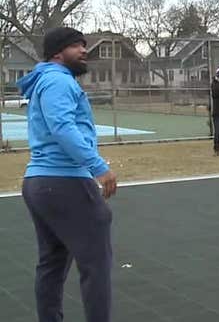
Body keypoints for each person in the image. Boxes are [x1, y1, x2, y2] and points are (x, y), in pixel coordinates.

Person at [17, 27, 118, 322]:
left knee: (51, 263)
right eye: (76, 45)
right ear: (58, 53)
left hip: (39, 184)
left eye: (84, 45)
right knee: (96, 266)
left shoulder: (47, 80)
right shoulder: (58, 81)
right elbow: (62, 127)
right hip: (64, 181)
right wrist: (98, 167)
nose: (84, 50)